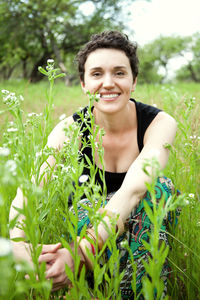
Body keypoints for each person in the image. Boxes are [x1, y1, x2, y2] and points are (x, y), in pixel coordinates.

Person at [10, 31, 178, 298]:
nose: (108, 83)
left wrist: (78, 254)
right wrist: (20, 248)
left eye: (119, 73)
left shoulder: (158, 123)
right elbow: (28, 190)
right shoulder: (69, 130)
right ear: (83, 84)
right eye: (97, 74)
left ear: (133, 82)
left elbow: (133, 190)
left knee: (157, 190)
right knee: (87, 205)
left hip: (136, 214)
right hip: (89, 222)